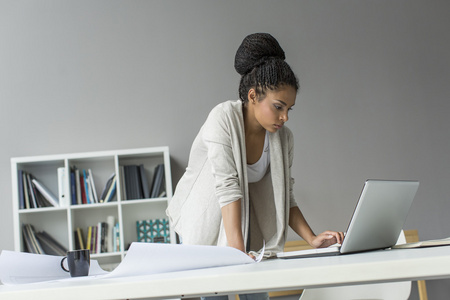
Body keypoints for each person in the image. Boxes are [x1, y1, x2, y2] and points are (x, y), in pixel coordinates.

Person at [166, 33, 344, 300]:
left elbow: (286, 196)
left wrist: (312, 238)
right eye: (278, 107)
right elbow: (227, 187)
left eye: (289, 109)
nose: (284, 117)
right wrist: (236, 251)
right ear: (252, 96)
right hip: (209, 221)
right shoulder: (222, 119)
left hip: (245, 222)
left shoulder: (283, 138)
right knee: (215, 293)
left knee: (256, 292)